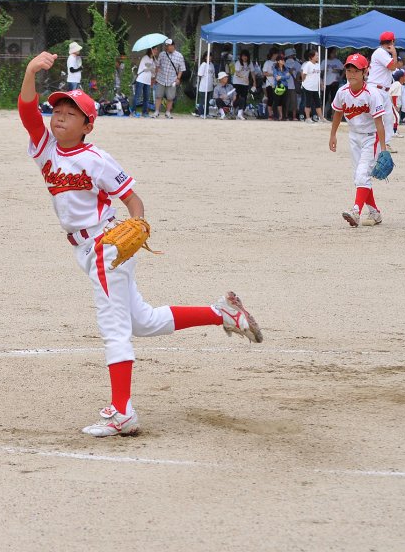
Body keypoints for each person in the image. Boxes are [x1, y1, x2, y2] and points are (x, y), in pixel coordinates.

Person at [16, 51, 263, 437]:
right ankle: (222, 314)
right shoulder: (45, 148)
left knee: (114, 329)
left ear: (88, 124)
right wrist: (31, 71)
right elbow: (28, 113)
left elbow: (132, 198)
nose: (59, 116)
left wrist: (138, 225)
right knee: (142, 321)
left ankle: (122, 412)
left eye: (70, 112)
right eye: (57, 110)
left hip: (106, 245)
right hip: (87, 249)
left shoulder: (98, 159)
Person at [329, 53, 386, 227]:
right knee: (359, 177)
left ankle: (356, 211)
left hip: (371, 137)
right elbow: (338, 113)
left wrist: (383, 149)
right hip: (353, 136)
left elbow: (379, 122)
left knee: (362, 175)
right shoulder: (342, 92)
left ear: (365, 72)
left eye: (356, 71)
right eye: (349, 70)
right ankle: (375, 213)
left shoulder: (372, 93)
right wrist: (333, 135)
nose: (352, 74)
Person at [369, 31, 398, 151]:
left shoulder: (383, 53)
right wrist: (394, 53)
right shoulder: (380, 52)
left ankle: (385, 143)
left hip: (383, 90)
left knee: (388, 118)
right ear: (392, 42)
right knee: (377, 118)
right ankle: (373, 143)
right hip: (376, 89)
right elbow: (393, 67)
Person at [153, 39, 186, 119]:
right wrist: (155, 76)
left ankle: (168, 112)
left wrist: (178, 78)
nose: (167, 47)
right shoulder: (162, 54)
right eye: (166, 46)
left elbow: (181, 69)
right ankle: (156, 112)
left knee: (170, 97)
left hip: (172, 80)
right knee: (158, 96)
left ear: (173, 46)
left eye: (169, 46)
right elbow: (158, 66)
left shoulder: (179, 56)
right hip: (161, 78)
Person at [300, 49, 324, 123]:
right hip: (308, 87)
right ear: (311, 57)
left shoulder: (318, 65)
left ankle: (321, 118)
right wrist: (304, 83)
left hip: (315, 88)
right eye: (316, 55)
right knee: (308, 103)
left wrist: (321, 84)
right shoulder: (308, 64)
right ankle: (308, 118)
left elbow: (318, 76)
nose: (318, 57)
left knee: (318, 103)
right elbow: (303, 75)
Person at [132, 47, 156, 118]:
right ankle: (133, 111)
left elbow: (153, 72)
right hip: (141, 79)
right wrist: (153, 68)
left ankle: (145, 112)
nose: (156, 51)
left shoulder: (152, 59)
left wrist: (154, 71)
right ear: (151, 50)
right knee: (137, 96)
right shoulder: (145, 57)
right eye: (155, 49)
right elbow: (146, 69)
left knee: (146, 97)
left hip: (147, 81)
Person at [232, 50, 254, 120]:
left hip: (245, 83)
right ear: (241, 57)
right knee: (236, 97)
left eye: (246, 56)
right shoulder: (238, 63)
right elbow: (237, 73)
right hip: (237, 82)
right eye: (243, 56)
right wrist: (243, 77)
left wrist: (254, 82)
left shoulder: (250, 63)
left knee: (244, 98)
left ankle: (241, 112)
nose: (244, 57)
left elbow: (252, 72)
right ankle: (234, 110)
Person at [322, 47, 343, 118]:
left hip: (335, 82)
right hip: (326, 82)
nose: (334, 54)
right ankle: (322, 114)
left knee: (334, 99)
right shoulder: (324, 61)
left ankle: (333, 114)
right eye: (333, 52)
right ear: (329, 53)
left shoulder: (337, 61)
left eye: (335, 52)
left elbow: (344, 69)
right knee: (324, 99)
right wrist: (325, 70)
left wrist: (340, 76)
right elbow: (321, 72)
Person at [283, 48, 302, 121]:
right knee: (293, 101)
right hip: (292, 85)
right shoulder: (296, 63)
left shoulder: (284, 63)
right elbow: (300, 72)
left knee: (287, 101)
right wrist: (296, 76)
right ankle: (293, 116)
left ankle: (287, 116)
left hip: (286, 85)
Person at [194, 51, 214, 116]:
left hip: (210, 86)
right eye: (208, 56)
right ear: (205, 57)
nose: (209, 57)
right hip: (203, 86)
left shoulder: (212, 65)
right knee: (202, 101)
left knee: (208, 101)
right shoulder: (203, 65)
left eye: (210, 56)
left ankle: (207, 113)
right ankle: (201, 113)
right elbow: (199, 74)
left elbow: (213, 74)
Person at [272, 55, 291, 121]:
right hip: (277, 86)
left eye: (284, 60)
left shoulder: (286, 68)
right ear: (278, 61)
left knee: (284, 102)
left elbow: (288, 76)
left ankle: (284, 116)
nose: (283, 61)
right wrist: (284, 76)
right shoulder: (275, 68)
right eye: (282, 60)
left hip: (285, 86)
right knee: (276, 101)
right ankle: (276, 116)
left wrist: (281, 77)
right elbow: (276, 77)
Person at [390, 69, 405, 138]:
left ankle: (393, 131)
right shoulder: (398, 84)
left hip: (390, 103)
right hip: (391, 104)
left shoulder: (397, 84)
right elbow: (394, 96)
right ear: (401, 78)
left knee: (394, 118)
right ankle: (394, 132)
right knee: (396, 117)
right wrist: (395, 105)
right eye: (404, 76)